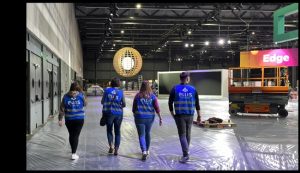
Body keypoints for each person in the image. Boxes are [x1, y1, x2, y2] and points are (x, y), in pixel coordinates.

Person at [168, 72, 201, 163]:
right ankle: (185, 152)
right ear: (187, 78)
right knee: (187, 134)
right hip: (190, 115)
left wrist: (172, 114)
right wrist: (199, 115)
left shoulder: (175, 89)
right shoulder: (193, 89)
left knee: (182, 135)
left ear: (181, 78)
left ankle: (186, 154)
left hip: (179, 116)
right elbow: (197, 104)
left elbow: (170, 103)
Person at [132, 80, 162, 161]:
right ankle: (147, 150)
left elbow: (134, 108)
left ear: (141, 86)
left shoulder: (137, 96)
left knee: (141, 135)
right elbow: (157, 108)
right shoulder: (152, 96)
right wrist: (160, 117)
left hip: (139, 118)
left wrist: (135, 114)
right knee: (147, 133)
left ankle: (144, 151)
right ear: (149, 86)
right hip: (150, 118)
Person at [58, 81, 87, 160]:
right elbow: (85, 104)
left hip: (69, 119)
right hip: (79, 119)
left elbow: (62, 109)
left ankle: (73, 151)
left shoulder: (65, 96)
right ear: (78, 88)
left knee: (72, 135)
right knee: (76, 136)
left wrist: (60, 119)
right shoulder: (81, 95)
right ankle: (74, 153)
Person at [101, 77, 126, 155]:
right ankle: (116, 149)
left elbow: (102, 102)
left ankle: (111, 146)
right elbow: (124, 104)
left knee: (109, 130)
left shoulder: (107, 90)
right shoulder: (121, 92)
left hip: (108, 114)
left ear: (111, 83)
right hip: (118, 114)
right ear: (119, 83)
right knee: (117, 131)